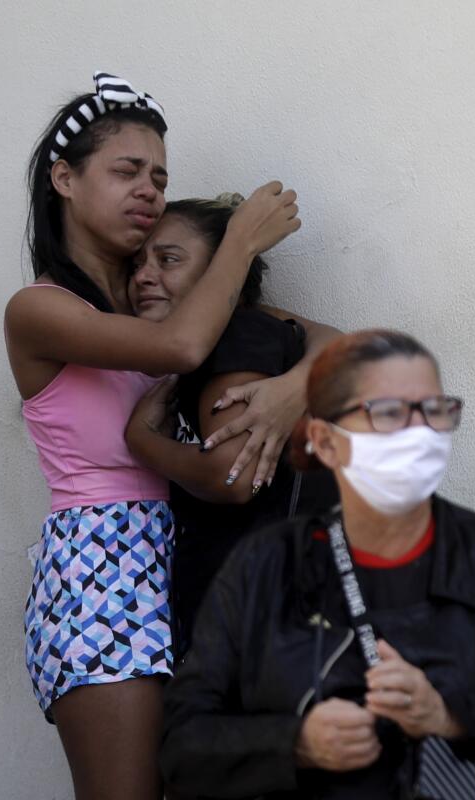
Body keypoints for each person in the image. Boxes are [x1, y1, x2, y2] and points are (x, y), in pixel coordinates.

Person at [4, 72, 307, 800]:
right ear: (65, 179)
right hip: (99, 572)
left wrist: (294, 390)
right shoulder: (37, 310)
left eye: (160, 177)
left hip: (180, 561)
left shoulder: (154, 304)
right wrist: (237, 242)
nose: (149, 190)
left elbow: (340, 346)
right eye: (126, 171)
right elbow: (181, 351)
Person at [161, 329, 475, 799]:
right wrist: (296, 743)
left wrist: (451, 715)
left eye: (434, 411)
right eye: (388, 414)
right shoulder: (264, 568)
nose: (416, 434)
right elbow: (181, 747)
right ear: (326, 442)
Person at [123, 194, 341, 658]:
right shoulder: (226, 348)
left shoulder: (239, 337)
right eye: (138, 263)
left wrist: (142, 442)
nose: (143, 275)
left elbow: (233, 475)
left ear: (226, 275)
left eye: (169, 260)